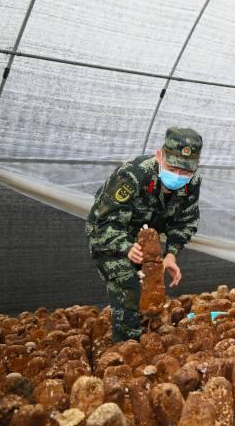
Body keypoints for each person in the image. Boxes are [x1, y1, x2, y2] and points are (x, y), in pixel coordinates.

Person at [86, 127, 202, 342]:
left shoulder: (192, 182)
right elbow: (105, 223)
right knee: (128, 287)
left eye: (186, 171)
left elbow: (185, 222)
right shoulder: (133, 174)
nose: (178, 175)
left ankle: (145, 334)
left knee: (150, 292)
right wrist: (126, 247)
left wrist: (171, 255)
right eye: (173, 167)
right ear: (159, 156)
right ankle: (125, 347)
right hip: (110, 237)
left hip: (147, 240)